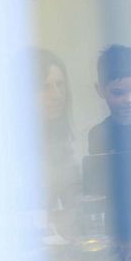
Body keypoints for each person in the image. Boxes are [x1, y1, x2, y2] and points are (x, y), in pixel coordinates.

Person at [33, 48, 81, 211]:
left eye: (60, 85)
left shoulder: (66, 143)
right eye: (45, 87)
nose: (57, 95)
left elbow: (75, 205)